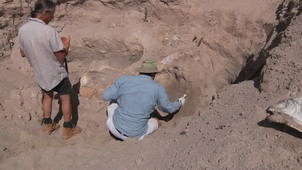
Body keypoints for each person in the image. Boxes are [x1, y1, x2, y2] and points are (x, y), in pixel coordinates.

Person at [18, 0, 81, 140]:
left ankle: (48, 126)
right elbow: (60, 57)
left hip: (40, 73)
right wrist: (66, 46)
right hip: (55, 73)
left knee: (47, 96)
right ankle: (67, 128)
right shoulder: (48, 31)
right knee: (66, 99)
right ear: (46, 12)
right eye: (51, 15)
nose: (52, 18)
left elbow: (23, 53)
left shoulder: (23, 30)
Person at [102, 59, 186, 141]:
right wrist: (179, 103)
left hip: (113, 128)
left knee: (113, 101)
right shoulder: (158, 88)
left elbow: (105, 96)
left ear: (140, 71)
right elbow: (168, 108)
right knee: (156, 122)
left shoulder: (124, 79)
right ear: (153, 75)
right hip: (136, 136)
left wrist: (121, 94)